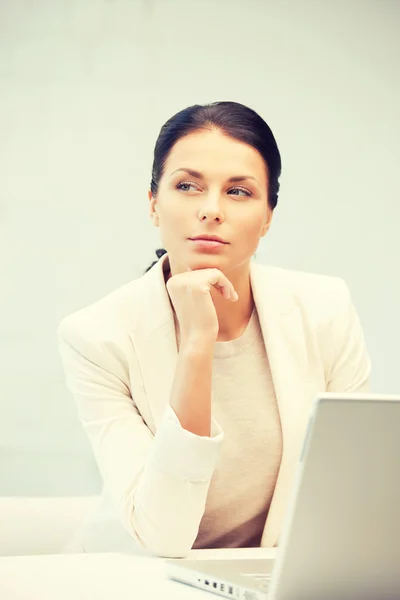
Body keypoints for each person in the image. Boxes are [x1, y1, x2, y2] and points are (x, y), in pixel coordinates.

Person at [57, 101, 371, 558]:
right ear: (153, 205)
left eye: (239, 192)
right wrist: (197, 345)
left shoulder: (325, 309)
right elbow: (164, 535)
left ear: (268, 217)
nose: (211, 210)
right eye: (187, 186)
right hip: (134, 575)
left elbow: (353, 487)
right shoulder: (95, 337)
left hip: (269, 576)